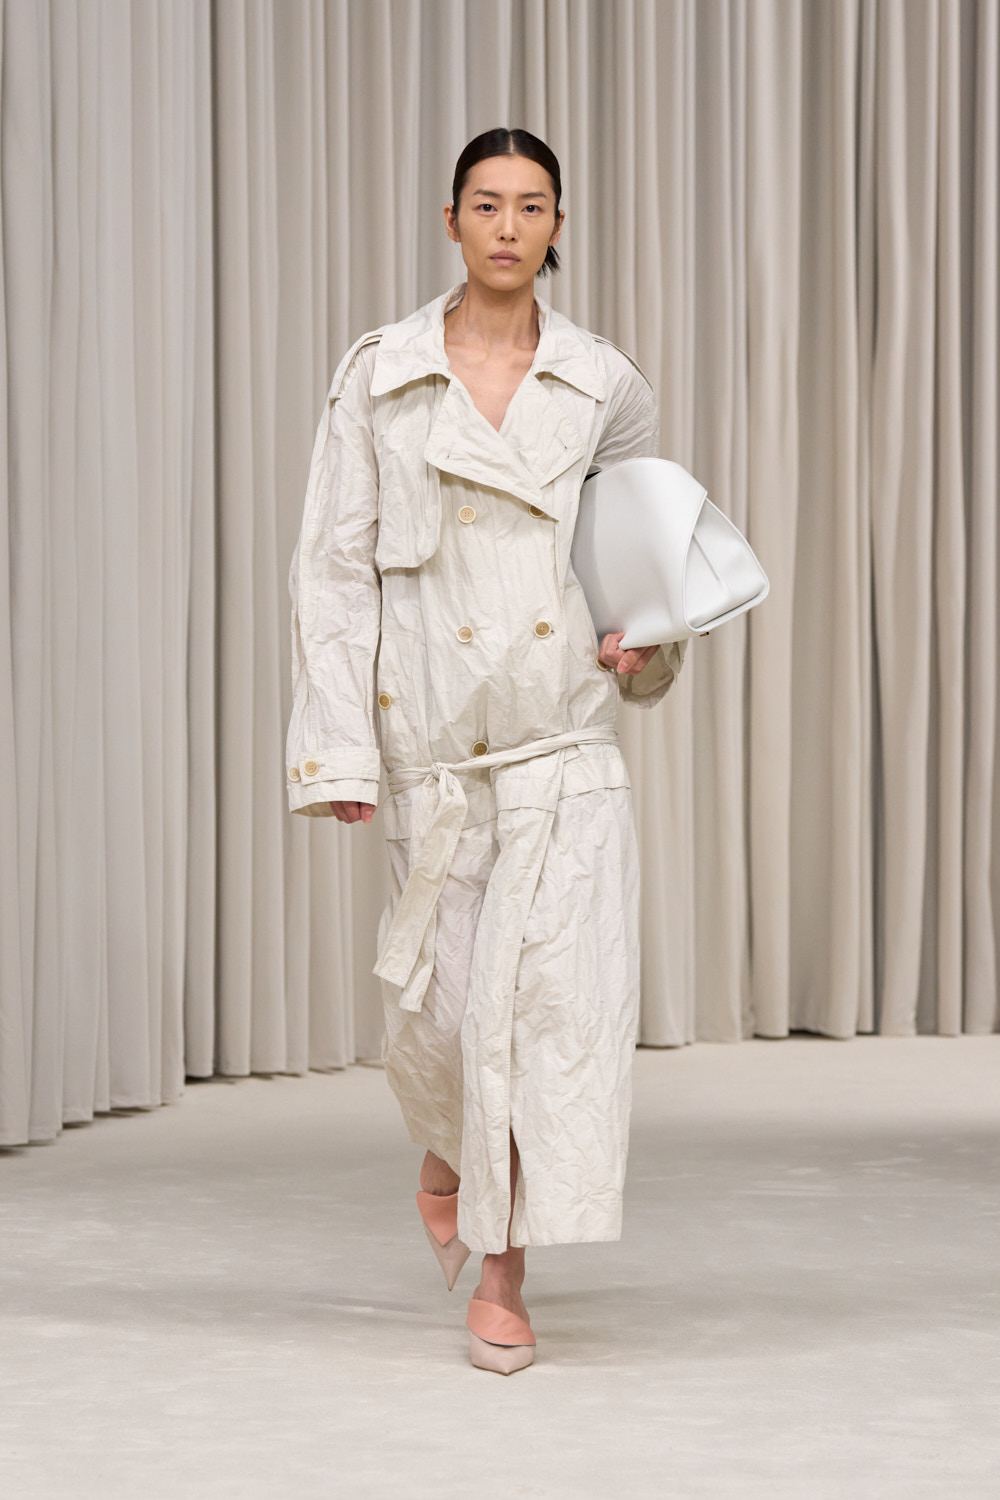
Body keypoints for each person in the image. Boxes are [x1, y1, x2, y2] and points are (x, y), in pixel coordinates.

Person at [286, 126, 687, 1374]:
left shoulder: (602, 383)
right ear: (450, 218)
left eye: (531, 205)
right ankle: (448, 1146)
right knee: (450, 1021)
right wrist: (338, 750)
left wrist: (645, 646)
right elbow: (334, 570)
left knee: (551, 1020)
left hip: (562, 741)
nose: (508, 226)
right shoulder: (382, 375)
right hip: (439, 751)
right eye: (486, 203)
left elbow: (640, 556)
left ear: (558, 225)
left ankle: (504, 1274)